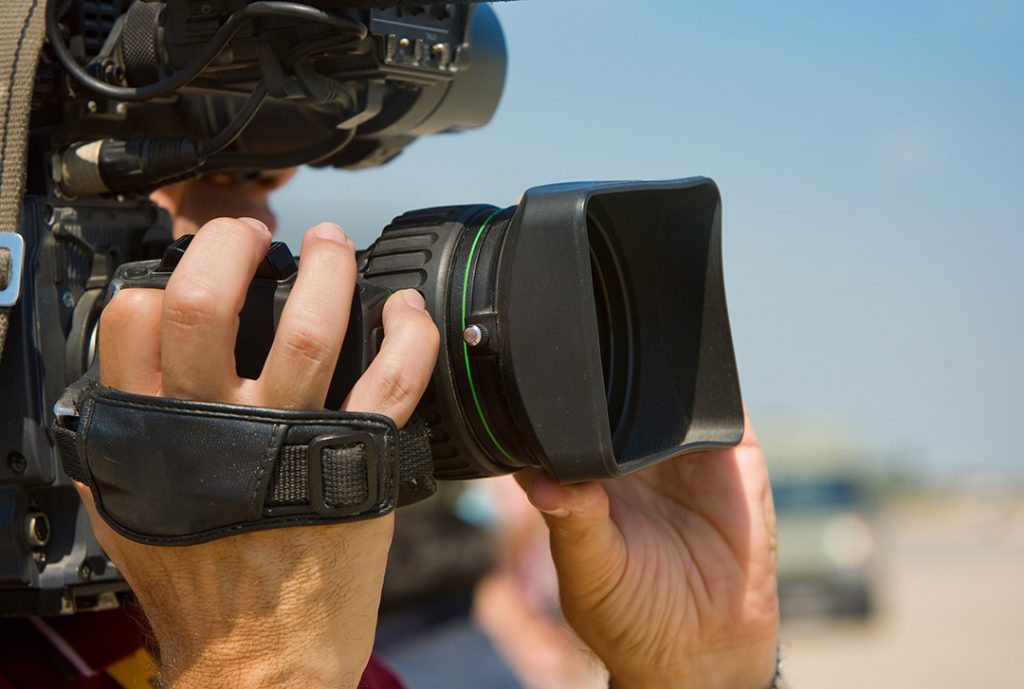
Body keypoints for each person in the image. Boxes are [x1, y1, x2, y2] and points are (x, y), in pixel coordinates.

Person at [62, 170, 781, 689]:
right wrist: (256, 664)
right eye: (164, 134)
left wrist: (700, 675)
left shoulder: (351, 657)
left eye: (262, 162)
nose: (258, 193)